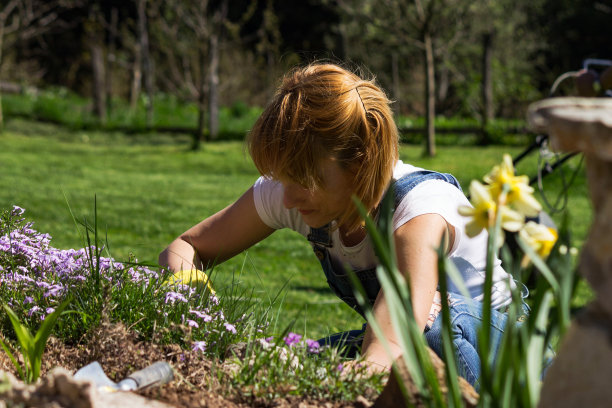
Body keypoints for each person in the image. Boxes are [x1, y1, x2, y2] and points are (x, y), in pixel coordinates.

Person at [159, 62, 515, 387]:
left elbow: (393, 334)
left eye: (302, 179)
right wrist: (198, 311)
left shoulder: (420, 210)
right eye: (280, 178)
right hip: (404, 341)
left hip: (502, 349)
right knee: (263, 360)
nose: (286, 199)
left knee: (434, 324)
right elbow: (184, 247)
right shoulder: (292, 193)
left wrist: (360, 372)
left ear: (361, 162)